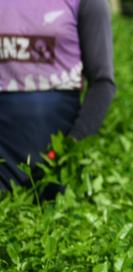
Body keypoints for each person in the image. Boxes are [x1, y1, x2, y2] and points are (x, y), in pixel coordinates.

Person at [0, 0, 115, 198]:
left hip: (57, 153)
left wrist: (72, 146)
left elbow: (103, 83)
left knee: (57, 220)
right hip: (3, 149)